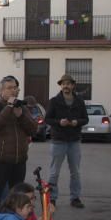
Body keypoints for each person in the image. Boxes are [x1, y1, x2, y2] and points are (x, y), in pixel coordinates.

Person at [0, 76, 38, 220]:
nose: (13, 90)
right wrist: (8, 107)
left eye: (15, 87)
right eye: (9, 87)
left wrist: (21, 115)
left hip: (19, 160)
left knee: (18, 195)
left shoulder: (22, 108)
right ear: (1, 91)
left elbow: (33, 129)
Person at [45, 74, 88, 208]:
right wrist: (59, 122)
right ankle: (52, 199)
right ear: (61, 85)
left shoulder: (79, 101)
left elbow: (85, 119)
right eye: (63, 83)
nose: (66, 86)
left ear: (73, 86)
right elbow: (47, 119)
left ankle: (75, 198)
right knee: (54, 172)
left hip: (74, 141)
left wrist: (77, 122)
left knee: (75, 172)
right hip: (58, 140)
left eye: (68, 84)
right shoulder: (54, 101)